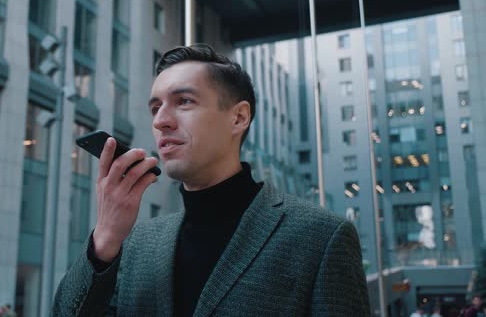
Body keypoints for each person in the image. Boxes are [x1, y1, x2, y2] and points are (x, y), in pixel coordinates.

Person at [52, 44, 370, 316]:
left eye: (184, 101)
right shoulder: (137, 244)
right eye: (155, 107)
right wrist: (105, 237)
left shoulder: (321, 237)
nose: (161, 120)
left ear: (238, 117)